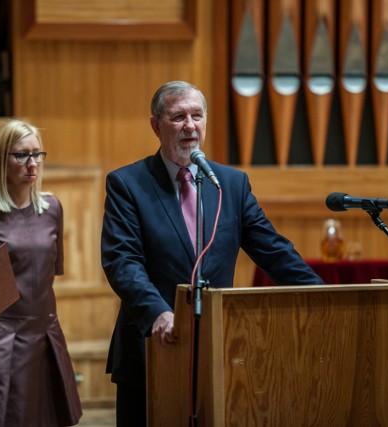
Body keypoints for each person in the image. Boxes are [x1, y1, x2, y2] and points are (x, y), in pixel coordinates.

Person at [100, 80, 324, 426]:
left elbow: (274, 252)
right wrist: (159, 313)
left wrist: (324, 295)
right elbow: (123, 261)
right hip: (153, 347)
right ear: (156, 126)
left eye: (197, 116)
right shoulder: (128, 184)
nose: (189, 125)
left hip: (224, 349)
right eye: (178, 117)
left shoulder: (230, 184)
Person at [0, 119, 82, 427]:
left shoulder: (52, 207)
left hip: (44, 333)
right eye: (21, 155)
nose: (32, 163)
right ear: (1, 159)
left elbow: (49, 274)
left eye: (38, 154)